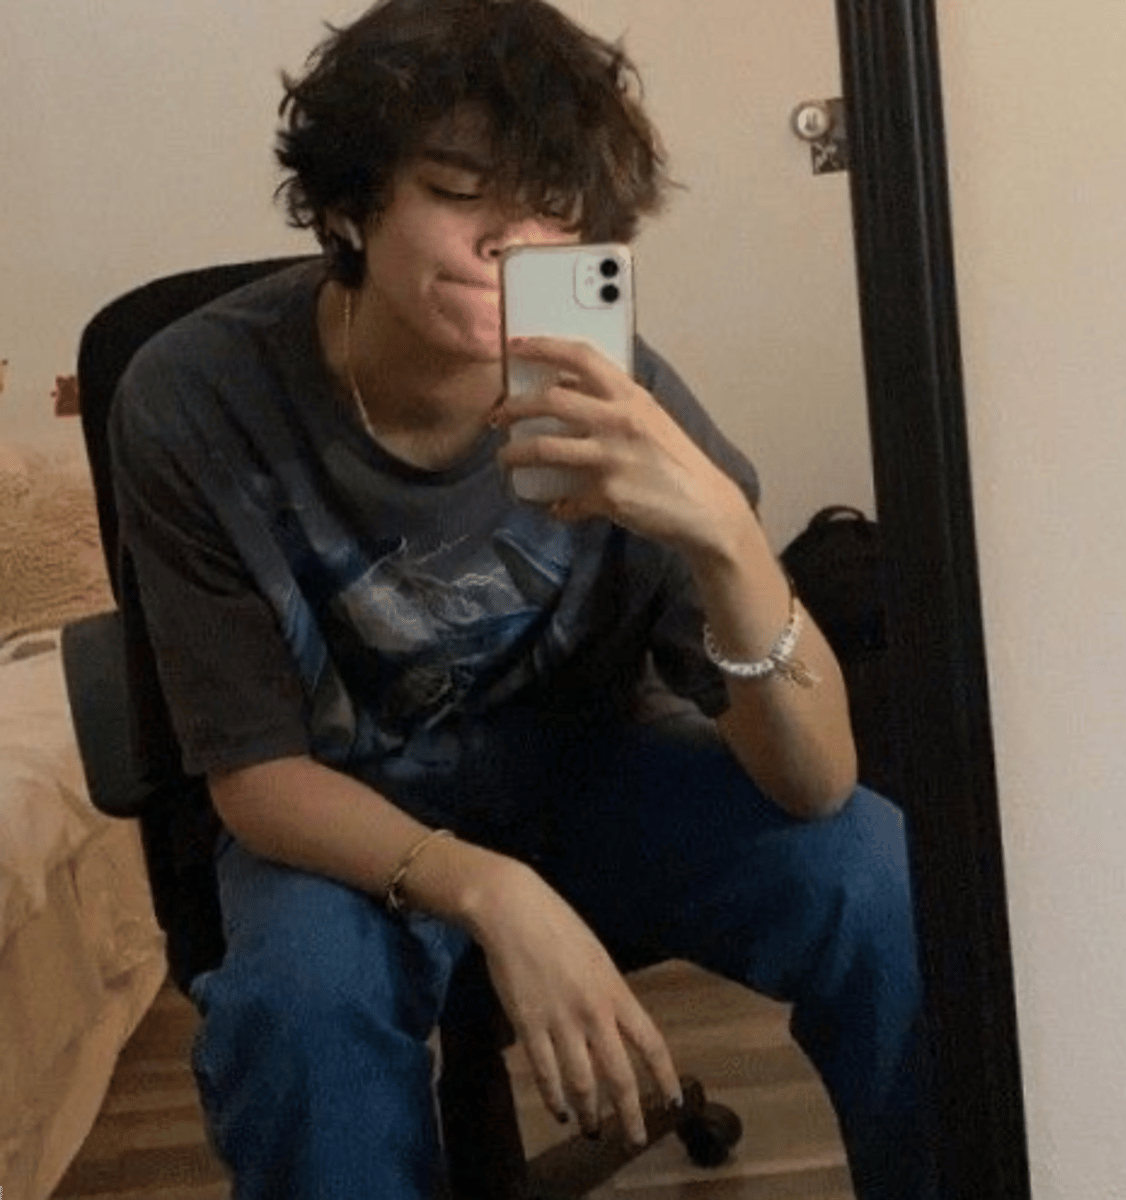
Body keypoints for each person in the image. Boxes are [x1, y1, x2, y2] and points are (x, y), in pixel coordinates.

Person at [109, 1, 938, 1197]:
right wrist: (494, 893)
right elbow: (254, 776)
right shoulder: (196, 398)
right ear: (350, 206)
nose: (513, 240)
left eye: (554, 206)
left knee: (877, 878)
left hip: (590, 774)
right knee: (301, 1016)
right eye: (460, 192)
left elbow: (814, 783)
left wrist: (725, 540)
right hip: (345, 815)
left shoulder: (621, 398)